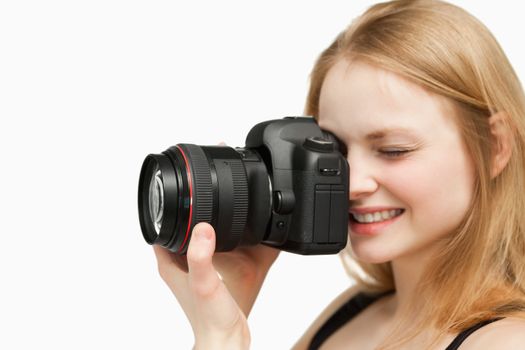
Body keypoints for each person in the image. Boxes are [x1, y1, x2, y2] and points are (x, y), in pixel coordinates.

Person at [152, 0, 525, 348]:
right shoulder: (351, 311)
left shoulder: (505, 341)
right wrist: (224, 324)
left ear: (496, 147)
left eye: (394, 150)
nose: (352, 183)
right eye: (335, 152)